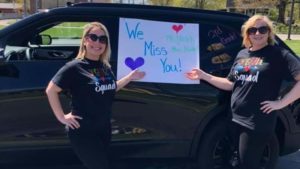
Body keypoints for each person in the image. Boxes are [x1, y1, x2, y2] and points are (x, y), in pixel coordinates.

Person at [186, 15, 300, 169]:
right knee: (237, 161)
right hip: (234, 117)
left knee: (247, 164)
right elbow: (230, 84)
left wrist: (281, 103)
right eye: (253, 30)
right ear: (248, 34)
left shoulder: (278, 54)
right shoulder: (242, 54)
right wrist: (204, 76)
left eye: (262, 29)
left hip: (257, 121)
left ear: (269, 32)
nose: (258, 33)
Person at [45, 22, 145, 169]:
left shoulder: (104, 67)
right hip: (83, 130)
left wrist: (129, 77)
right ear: (85, 40)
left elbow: (110, 88)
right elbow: (51, 90)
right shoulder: (74, 67)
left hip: (103, 127)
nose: (98, 42)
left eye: (102, 39)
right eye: (93, 37)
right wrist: (62, 117)